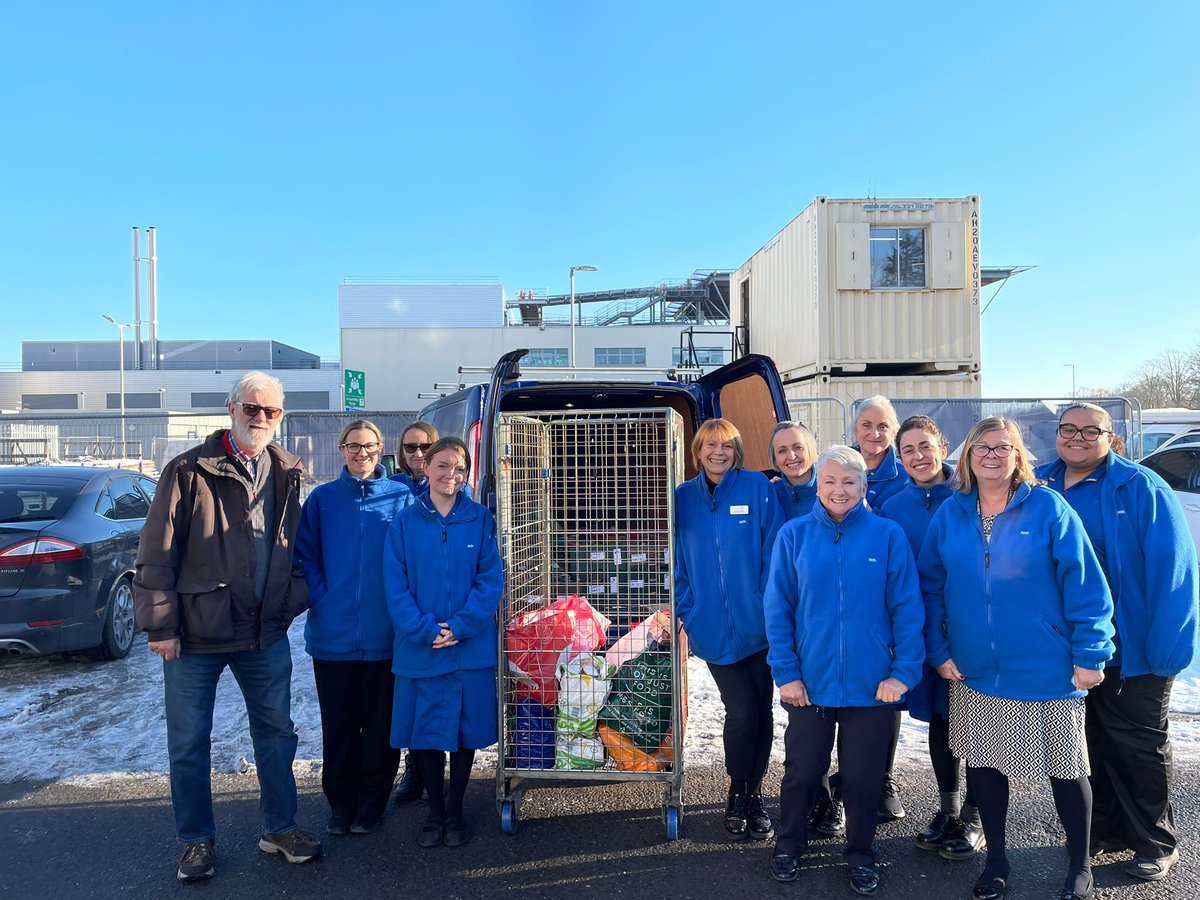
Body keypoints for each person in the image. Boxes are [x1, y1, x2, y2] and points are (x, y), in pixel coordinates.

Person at [133, 371, 321, 882]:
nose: (260, 419)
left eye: (271, 411)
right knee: (190, 743)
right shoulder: (188, 470)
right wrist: (161, 626)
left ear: (281, 417)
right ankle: (196, 841)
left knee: (277, 735)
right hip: (196, 636)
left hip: (264, 633)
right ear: (231, 408)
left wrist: (290, 600)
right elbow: (157, 553)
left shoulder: (286, 470)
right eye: (251, 409)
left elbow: (296, 552)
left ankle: (279, 827)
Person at [920, 417, 1115, 900]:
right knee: (985, 769)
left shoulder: (1049, 507)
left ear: (1017, 455)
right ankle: (997, 860)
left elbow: (1086, 585)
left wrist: (1091, 651)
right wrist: (939, 651)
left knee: (1067, 771)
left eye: (1001, 447)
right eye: (980, 446)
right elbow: (929, 588)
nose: (990, 454)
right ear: (967, 456)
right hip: (974, 671)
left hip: (1048, 668)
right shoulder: (950, 514)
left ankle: (1080, 865)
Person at [1037, 403, 1198, 882]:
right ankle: (1101, 830)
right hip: (1069, 649)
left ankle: (1154, 839)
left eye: (1092, 430)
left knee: (1137, 747)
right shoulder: (1039, 483)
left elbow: (1175, 573)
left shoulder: (1142, 487)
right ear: (1057, 433)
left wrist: (1165, 649)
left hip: (1134, 650)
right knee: (1086, 747)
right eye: (1069, 428)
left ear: (1112, 437)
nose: (1079, 437)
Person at [765, 445, 924, 895]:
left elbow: (907, 610)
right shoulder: (794, 536)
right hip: (808, 685)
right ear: (818, 484)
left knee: (862, 777)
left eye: (849, 482)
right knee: (801, 770)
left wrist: (903, 672)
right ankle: (789, 844)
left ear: (863, 486)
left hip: (874, 687)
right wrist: (787, 673)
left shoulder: (887, 535)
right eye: (831, 481)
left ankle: (860, 852)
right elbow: (778, 611)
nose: (839, 490)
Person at [383, 437, 503, 848]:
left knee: (464, 733)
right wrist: (425, 629)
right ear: (426, 468)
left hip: (468, 648)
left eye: (458, 467)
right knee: (427, 734)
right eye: (442, 466)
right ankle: (434, 811)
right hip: (422, 648)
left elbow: (490, 581)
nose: (450, 474)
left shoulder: (481, 520)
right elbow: (395, 585)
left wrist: (462, 625)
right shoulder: (404, 522)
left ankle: (456, 810)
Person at [295, 420, 408, 837]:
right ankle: (340, 804)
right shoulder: (323, 499)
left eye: (370, 446)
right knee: (339, 725)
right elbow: (306, 557)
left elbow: (411, 557)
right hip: (333, 637)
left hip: (385, 637)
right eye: (354, 446)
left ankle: (372, 804)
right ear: (341, 450)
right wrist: (323, 597)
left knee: (380, 728)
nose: (362, 454)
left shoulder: (401, 498)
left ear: (382, 450)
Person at [674, 418, 783, 842]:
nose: (718, 452)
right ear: (698, 451)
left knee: (763, 710)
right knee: (742, 712)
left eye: (727, 445)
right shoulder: (682, 497)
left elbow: (773, 552)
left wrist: (763, 604)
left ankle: (752, 796)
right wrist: (690, 609)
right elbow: (676, 559)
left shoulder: (758, 488)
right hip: (713, 629)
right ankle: (738, 791)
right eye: (710, 445)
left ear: (737, 450)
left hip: (759, 626)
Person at [879, 416, 983, 860]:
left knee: (978, 727)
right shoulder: (891, 505)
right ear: (898, 457)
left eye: (925, 446)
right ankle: (949, 810)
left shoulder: (970, 498)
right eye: (908, 450)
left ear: (943, 446)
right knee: (942, 725)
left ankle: (975, 816)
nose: (918, 457)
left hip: (970, 630)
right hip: (922, 632)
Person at [852, 395, 910, 821]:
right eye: (866, 425)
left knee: (884, 696)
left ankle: (882, 776)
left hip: (889, 601)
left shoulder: (907, 475)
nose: (874, 434)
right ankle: (839, 780)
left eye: (883, 426)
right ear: (854, 429)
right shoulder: (837, 467)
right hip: (846, 601)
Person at [768, 420, 819, 520]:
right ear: (775, 459)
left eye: (798, 447)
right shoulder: (771, 496)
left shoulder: (832, 489)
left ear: (810, 450)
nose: (791, 456)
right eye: (782, 451)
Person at [391, 420, 437, 491]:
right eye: (410, 447)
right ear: (402, 452)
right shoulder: (391, 485)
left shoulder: (446, 483)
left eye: (426, 447)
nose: (418, 454)